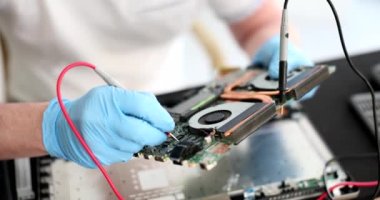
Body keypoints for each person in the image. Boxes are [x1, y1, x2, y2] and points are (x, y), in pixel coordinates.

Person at [0, 0, 313, 168]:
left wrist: (279, 48)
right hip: (34, 117)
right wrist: (52, 127)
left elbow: (257, 20)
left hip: (170, 111)